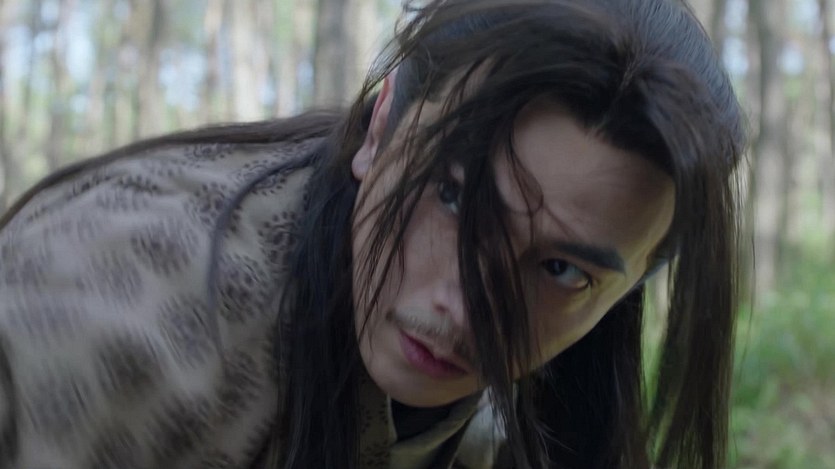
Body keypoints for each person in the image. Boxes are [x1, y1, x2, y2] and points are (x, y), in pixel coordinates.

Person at [0, 0, 746, 468]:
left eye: (560, 270)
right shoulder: (108, 313)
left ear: (630, 286)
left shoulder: (546, 413)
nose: (464, 306)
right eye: (452, 197)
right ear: (381, 124)